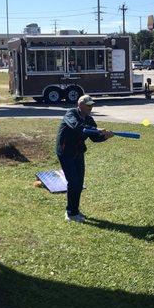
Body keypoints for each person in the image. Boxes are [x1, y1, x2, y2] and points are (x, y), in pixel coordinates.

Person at [56, 95, 113, 223]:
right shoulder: (71, 114)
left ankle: (74, 210)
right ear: (80, 104)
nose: (90, 107)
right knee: (73, 182)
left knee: (79, 183)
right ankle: (70, 213)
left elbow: (95, 138)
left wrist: (105, 136)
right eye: (88, 105)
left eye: (92, 105)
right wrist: (96, 129)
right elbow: (77, 127)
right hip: (65, 152)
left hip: (78, 152)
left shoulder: (89, 119)